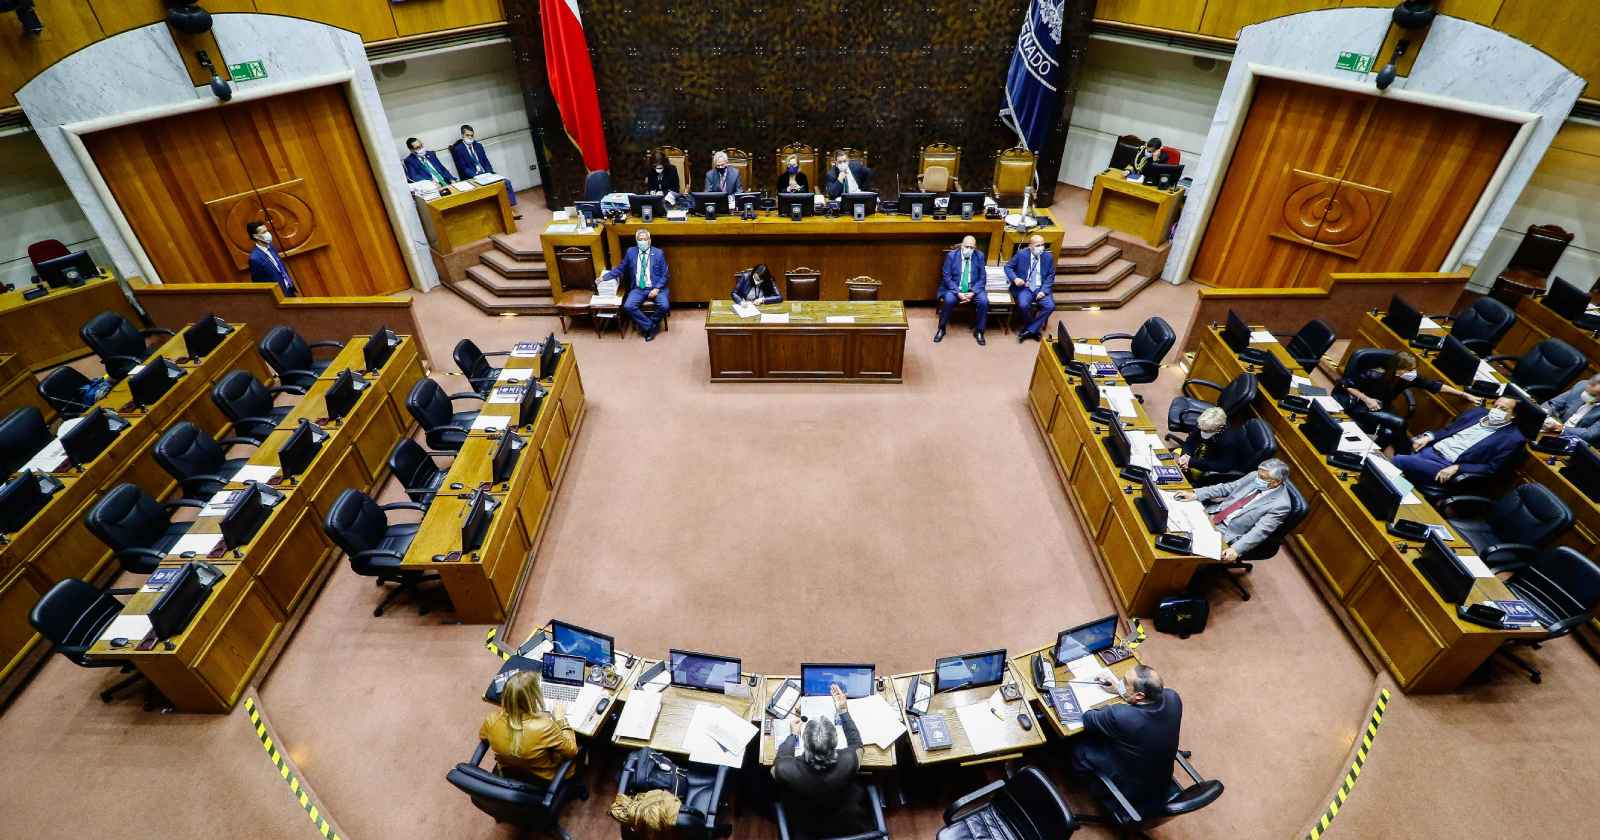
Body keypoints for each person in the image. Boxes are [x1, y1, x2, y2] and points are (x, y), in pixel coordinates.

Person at [1070, 664, 1183, 821]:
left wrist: (1113, 706)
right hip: (1159, 781)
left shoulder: (1121, 716)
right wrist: (1121, 691)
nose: (1120, 683)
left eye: (1124, 682)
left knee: (1077, 746)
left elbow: (1088, 718)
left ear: (1139, 696)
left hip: (1130, 790)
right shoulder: (1173, 698)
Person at [772, 683, 873, 840]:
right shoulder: (850, 759)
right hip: (845, 822)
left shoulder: (785, 769)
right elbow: (857, 744)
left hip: (806, 825)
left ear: (805, 742)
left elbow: (780, 761)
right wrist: (843, 711)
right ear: (835, 742)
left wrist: (792, 736)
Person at [1335, 350, 1476, 450]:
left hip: (1382, 407)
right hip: (1361, 406)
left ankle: (1377, 453)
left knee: (1390, 432)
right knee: (1400, 423)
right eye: (1409, 370)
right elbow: (1346, 384)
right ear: (1398, 369)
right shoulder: (1376, 373)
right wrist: (1367, 399)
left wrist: (1463, 394)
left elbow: (1434, 385)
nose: (1412, 373)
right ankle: (1408, 450)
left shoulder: (1408, 377)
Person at [1174, 459, 1293, 563]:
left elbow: (1259, 531)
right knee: (1175, 522)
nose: (1257, 479)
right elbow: (1227, 488)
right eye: (1258, 474)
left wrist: (1236, 549)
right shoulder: (1255, 476)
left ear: (1276, 482)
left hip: (1227, 531)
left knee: (1184, 548)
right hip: (1214, 513)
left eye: (1262, 478)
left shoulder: (1281, 505)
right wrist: (1196, 494)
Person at [1394, 397, 1526, 489]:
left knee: (1399, 460)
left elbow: (1491, 468)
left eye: (1503, 409)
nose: (1496, 410)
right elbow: (1448, 430)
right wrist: (1428, 437)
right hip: (1430, 449)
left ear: (1513, 415)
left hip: (1446, 465)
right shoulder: (1477, 413)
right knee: (1394, 436)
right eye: (1495, 406)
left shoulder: (1512, 438)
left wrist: (1458, 468)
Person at [478, 671, 577, 784]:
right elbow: (572, 751)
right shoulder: (545, 726)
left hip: (509, 773)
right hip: (544, 779)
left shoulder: (491, 720)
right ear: (533, 697)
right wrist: (561, 719)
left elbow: (483, 737)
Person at [605, 229, 670, 341]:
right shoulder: (631, 252)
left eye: (645, 239)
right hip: (639, 288)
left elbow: (665, 274)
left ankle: (650, 324)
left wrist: (656, 288)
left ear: (649, 240)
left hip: (656, 287)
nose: (643, 241)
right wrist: (604, 277)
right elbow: (620, 268)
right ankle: (649, 326)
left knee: (664, 306)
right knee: (628, 306)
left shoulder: (658, 253)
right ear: (636, 241)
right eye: (640, 239)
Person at [449, 124, 520, 218]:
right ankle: (508, 212)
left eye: (471, 135)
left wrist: (489, 173)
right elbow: (463, 168)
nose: (470, 138)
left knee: (506, 182)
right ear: (462, 135)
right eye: (467, 135)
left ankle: (509, 208)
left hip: (486, 174)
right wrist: (475, 176)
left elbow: (486, 161)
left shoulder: (478, 146)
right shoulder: (458, 149)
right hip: (472, 177)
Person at [935, 236, 988, 345]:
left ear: (975, 248)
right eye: (966, 246)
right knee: (948, 300)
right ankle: (941, 328)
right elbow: (946, 277)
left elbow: (982, 278)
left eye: (972, 247)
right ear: (961, 246)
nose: (969, 249)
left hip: (973, 289)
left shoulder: (979, 256)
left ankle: (979, 331)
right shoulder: (951, 256)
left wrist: (973, 292)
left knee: (984, 302)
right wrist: (958, 292)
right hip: (955, 288)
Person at [1005, 234, 1056, 341]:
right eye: (1038, 245)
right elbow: (1008, 267)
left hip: (1040, 287)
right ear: (1030, 246)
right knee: (1023, 305)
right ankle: (1033, 330)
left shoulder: (1048, 257)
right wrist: (1015, 279)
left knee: (1050, 306)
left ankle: (1029, 330)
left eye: (1042, 245)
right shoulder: (1021, 254)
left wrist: (1043, 291)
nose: (1041, 248)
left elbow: (1050, 276)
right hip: (1025, 288)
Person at [1540, 374, 1600, 445]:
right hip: (1552, 429)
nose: (1586, 395)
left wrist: (1560, 428)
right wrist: (1542, 414)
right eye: (1586, 391)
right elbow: (1552, 404)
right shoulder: (1581, 386)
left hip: (1577, 442)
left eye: (1593, 395)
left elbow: (1589, 434)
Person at [245, 221, 297, 297]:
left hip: (289, 289)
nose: (268, 234)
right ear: (256, 236)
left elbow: (279, 267)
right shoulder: (255, 259)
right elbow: (260, 284)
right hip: (279, 296)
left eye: (267, 231)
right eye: (264, 232)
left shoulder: (271, 247)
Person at [1175, 407, 1228, 474]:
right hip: (1197, 455)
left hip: (1209, 463)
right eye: (1201, 429)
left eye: (1207, 431)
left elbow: (1222, 466)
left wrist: (1191, 462)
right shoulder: (1202, 423)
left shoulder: (1228, 439)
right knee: (1175, 455)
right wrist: (1185, 455)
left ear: (1219, 428)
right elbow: (1190, 441)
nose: (1202, 432)